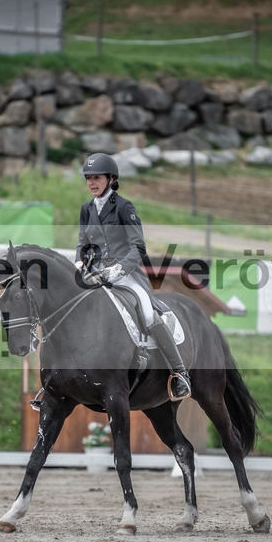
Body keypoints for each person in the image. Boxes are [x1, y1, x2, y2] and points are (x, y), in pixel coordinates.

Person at [74, 152, 191, 401]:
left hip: (125, 274)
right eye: (88, 178)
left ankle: (179, 373)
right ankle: (58, 379)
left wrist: (118, 269)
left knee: (149, 313)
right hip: (96, 274)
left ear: (111, 178)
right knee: (71, 309)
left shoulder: (124, 207)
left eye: (96, 178)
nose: (91, 183)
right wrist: (79, 262)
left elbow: (138, 247)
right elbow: (82, 243)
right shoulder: (86, 209)